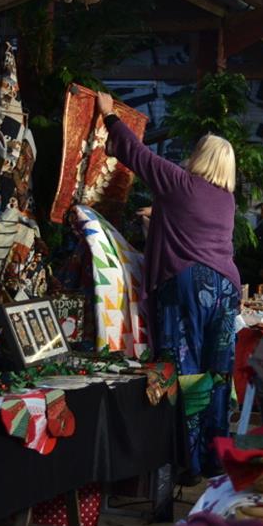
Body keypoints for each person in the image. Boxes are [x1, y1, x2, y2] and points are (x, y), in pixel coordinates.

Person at [97, 92, 240, 478]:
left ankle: (186, 462)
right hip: (226, 290)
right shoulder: (226, 200)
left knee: (187, 373)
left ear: (201, 157)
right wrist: (157, 217)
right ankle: (216, 460)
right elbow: (189, 227)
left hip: (190, 286)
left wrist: (110, 117)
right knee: (217, 376)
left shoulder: (180, 183)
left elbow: (138, 155)